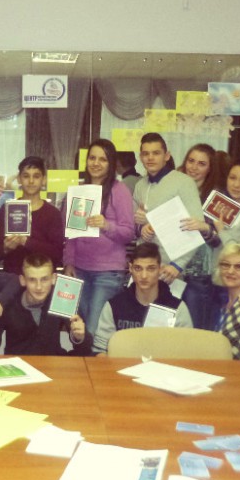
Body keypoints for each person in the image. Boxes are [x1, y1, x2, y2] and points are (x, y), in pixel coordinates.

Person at [62, 138, 136, 336]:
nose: (96, 163)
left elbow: (128, 233)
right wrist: (69, 262)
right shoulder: (78, 191)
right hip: (80, 270)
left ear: (111, 163)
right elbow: (71, 234)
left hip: (107, 273)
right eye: (92, 158)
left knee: (94, 330)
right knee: (80, 327)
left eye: (103, 159)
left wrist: (106, 225)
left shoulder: (119, 190)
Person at [92, 243, 193, 355]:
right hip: (121, 365)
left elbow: (187, 353)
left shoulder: (177, 308)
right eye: (138, 268)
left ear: (160, 269)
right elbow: (100, 350)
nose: (144, 275)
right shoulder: (114, 306)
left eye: (151, 269)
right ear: (130, 268)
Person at [133, 133, 206, 284]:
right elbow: (133, 223)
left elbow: (196, 226)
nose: (150, 158)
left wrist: (178, 265)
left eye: (156, 153)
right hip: (144, 267)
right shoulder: (140, 185)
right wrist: (141, 228)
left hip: (171, 268)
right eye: (146, 154)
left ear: (166, 156)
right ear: (140, 157)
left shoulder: (184, 182)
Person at [1, 253, 91, 356]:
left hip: (52, 363)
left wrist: (79, 338)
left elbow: (85, 351)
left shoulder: (61, 299)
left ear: (54, 278)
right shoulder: (8, 303)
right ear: (23, 280)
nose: (39, 287)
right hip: (17, 364)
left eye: (44, 279)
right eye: (32, 280)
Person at [176, 143, 224, 330]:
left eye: (201, 164)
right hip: (171, 269)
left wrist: (205, 228)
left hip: (198, 274)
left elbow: (219, 240)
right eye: (191, 161)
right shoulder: (173, 188)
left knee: (197, 330)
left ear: (210, 168)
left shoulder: (216, 198)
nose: (194, 167)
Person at [0, 156, 64, 274]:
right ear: (19, 179)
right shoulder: (7, 209)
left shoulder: (53, 214)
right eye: (26, 176)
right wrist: (6, 248)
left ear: (44, 180)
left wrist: (25, 242)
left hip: (41, 280)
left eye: (36, 176)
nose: (31, 181)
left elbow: (57, 254)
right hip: (12, 277)